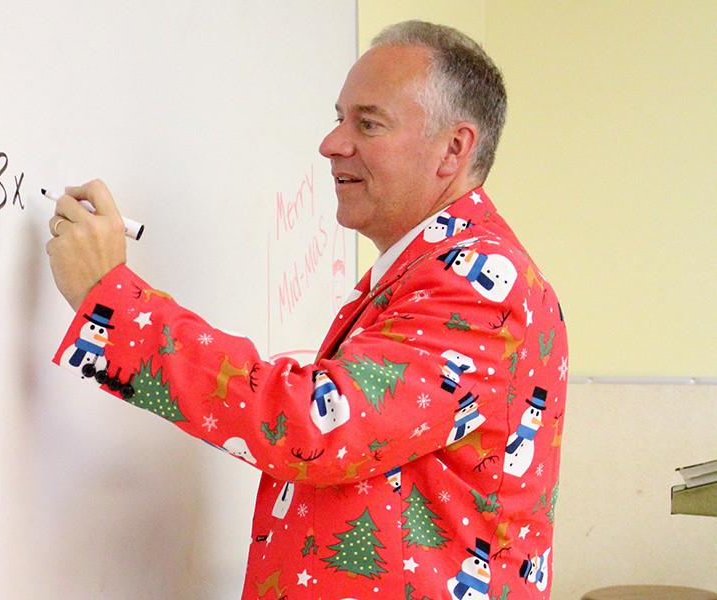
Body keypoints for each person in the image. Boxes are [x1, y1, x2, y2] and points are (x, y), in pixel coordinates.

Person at [46, 20, 567, 600]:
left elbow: (314, 425)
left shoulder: (479, 288)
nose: (332, 143)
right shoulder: (427, 271)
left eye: (367, 124)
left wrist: (113, 304)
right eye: (339, 118)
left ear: (453, 149)